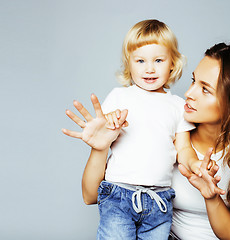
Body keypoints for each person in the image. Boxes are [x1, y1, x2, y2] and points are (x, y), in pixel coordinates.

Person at [64, 42, 230, 239]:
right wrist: (99, 149)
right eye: (194, 81)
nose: (188, 93)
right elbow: (91, 196)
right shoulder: (168, 132)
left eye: (205, 89)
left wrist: (212, 198)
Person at [62, 19, 206, 240]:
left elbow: (184, 149)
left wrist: (195, 164)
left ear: (172, 63)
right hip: (118, 195)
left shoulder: (178, 105)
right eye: (140, 61)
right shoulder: (119, 97)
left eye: (158, 60)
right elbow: (105, 127)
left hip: (160, 202)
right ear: (128, 63)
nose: (149, 68)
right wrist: (109, 123)